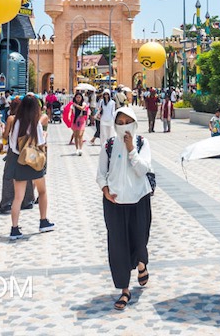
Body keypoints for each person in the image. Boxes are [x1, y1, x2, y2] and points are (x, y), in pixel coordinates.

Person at [97, 107, 154, 312]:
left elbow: (142, 169)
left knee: (139, 240)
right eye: (119, 123)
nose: (123, 127)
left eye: (126, 122)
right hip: (114, 202)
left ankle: (141, 264)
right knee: (118, 245)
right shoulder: (109, 145)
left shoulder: (142, 143)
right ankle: (124, 289)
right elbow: (101, 173)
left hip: (139, 200)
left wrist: (131, 149)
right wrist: (105, 190)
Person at [6, 95, 54, 240]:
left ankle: (14, 229)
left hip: (20, 162)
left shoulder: (16, 122)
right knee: (42, 192)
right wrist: (44, 136)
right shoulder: (35, 124)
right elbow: (40, 142)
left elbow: (13, 145)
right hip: (34, 163)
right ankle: (43, 221)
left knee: (18, 198)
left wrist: (22, 154)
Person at [0, 98, 35, 214]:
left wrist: (3, 132)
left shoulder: (11, 118)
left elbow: (5, 135)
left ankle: (7, 202)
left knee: (9, 175)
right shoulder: (28, 118)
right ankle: (28, 200)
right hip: (26, 150)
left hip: (14, 151)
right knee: (27, 174)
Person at [70, 92, 89, 156]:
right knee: (76, 135)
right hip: (75, 120)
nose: (78, 99)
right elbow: (70, 111)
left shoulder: (83, 103)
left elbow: (82, 108)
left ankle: (80, 149)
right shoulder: (72, 105)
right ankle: (77, 149)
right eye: (77, 97)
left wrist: (76, 105)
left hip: (81, 120)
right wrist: (69, 116)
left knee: (80, 135)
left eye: (79, 97)